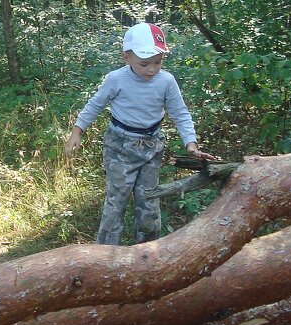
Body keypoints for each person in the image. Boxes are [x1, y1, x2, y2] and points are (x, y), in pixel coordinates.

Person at [64, 22, 218, 245]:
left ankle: (147, 252)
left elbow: (180, 113)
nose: (152, 69)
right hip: (119, 146)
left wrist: (191, 144)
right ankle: (105, 253)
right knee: (116, 201)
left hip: (151, 146)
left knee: (149, 201)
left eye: (158, 62)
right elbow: (95, 105)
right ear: (126, 57)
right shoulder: (116, 79)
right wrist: (77, 132)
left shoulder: (166, 81)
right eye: (144, 63)